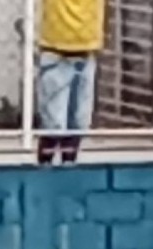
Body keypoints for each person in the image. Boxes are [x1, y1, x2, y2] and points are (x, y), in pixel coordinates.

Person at [35, 0, 104, 165]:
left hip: (85, 51)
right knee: (53, 124)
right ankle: (45, 168)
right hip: (56, 50)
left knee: (78, 121)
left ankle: (69, 165)